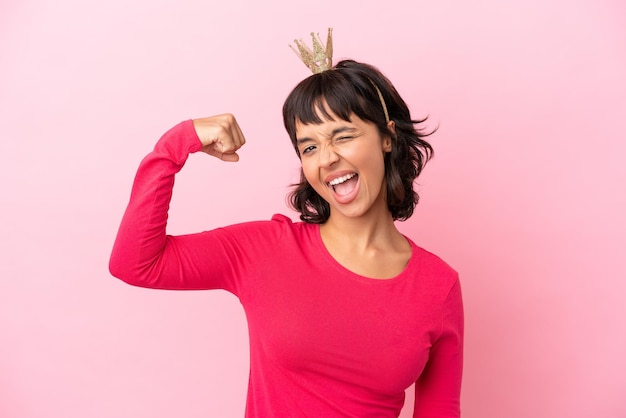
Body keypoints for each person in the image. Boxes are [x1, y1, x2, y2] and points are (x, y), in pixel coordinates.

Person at [109, 30, 463, 418]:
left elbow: (439, 410)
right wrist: (177, 143)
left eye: (342, 136)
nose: (326, 159)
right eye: (309, 147)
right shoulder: (264, 249)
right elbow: (135, 263)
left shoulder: (438, 285)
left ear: (387, 138)